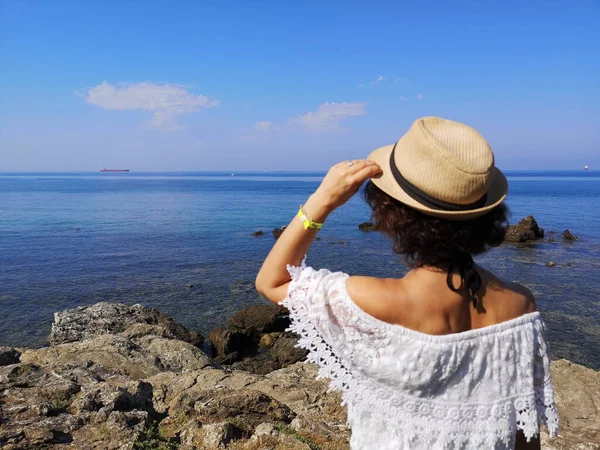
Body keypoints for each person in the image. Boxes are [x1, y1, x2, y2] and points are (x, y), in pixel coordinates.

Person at [256, 117, 558, 449]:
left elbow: (272, 281)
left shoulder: (371, 300)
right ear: (485, 216)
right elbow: (525, 433)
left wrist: (322, 200)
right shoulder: (521, 308)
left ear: (392, 213)